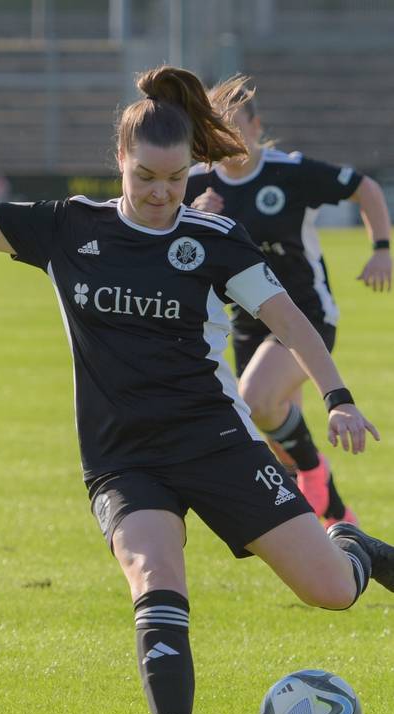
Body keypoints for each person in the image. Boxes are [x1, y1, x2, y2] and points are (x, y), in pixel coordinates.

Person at [0, 67, 394, 714]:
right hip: (124, 456)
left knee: (329, 591)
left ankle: (353, 546)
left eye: (175, 180)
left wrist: (337, 398)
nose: (160, 193)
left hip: (215, 443)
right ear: (120, 159)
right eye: (146, 176)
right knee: (153, 570)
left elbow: (288, 319)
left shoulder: (212, 238)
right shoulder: (68, 227)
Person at [185, 77, 392, 527]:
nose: (229, 138)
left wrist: (380, 249)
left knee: (256, 399)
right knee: (279, 429)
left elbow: (366, 188)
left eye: (237, 127)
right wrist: (195, 217)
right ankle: (339, 518)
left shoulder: (290, 172)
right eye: (217, 129)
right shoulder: (195, 186)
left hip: (305, 314)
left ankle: (317, 477)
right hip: (246, 321)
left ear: (256, 126)